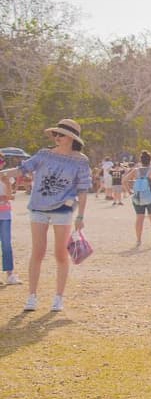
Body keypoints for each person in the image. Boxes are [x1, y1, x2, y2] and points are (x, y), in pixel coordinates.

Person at [2, 119, 91, 312]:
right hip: (38, 208)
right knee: (38, 252)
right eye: (55, 134)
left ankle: (58, 298)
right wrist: (4, 173)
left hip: (63, 210)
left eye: (61, 135)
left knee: (60, 254)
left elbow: (83, 190)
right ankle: (32, 296)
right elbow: (22, 169)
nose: (57, 137)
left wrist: (81, 217)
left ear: (72, 138)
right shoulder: (44, 154)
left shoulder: (81, 161)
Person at [122, 150, 151, 248]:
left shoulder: (136, 170)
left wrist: (129, 191)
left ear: (141, 160)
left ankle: (138, 240)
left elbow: (124, 180)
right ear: (150, 160)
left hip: (138, 197)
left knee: (139, 218)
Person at [1, 173, 19, 285]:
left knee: (6, 245)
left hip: (5, 215)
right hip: (4, 213)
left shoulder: (6, 178)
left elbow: (9, 196)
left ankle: (10, 274)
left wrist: (7, 182)